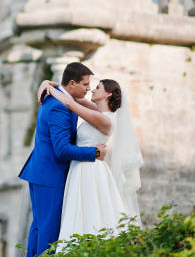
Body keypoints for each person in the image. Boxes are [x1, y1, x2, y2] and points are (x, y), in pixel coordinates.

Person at [37, 78, 143, 246]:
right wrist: (47, 83)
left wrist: (49, 89)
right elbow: (74, 96)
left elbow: (70, 103)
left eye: (98, 87)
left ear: (107, 94)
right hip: (80, 167)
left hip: (90, 169)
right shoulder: (97, 112)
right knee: (78, 212)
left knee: (90, 211)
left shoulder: (105, 120)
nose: (92, 90)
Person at [18, 62, 107, 257]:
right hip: (50, 175)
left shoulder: (59, 97)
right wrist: (94, 153)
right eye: (85, 84)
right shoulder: (59, 107)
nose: (88, 88)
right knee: (49, 229)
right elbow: (62, 150)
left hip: (42, 172)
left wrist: (48, 83)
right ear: (72, 83)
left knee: (40, 226)